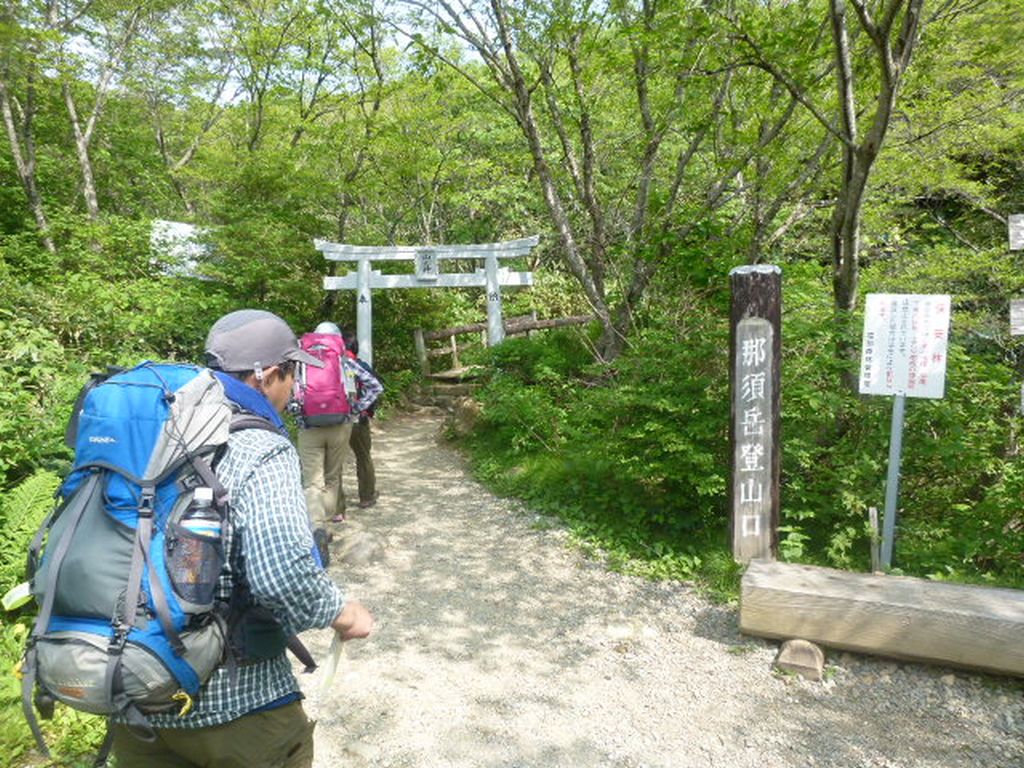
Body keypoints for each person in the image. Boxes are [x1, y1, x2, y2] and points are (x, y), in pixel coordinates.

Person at [109, 308, 374, 768]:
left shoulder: (155, 431)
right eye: (291, 376)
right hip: (232, 704)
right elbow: (282, 574)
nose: (293, 390)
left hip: (132, 691)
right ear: (268, 376)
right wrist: (341, 612)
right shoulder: (258, 446)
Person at [295, 322, 382, 524]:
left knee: (313, 482)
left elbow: (294, 393)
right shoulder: (345, 361)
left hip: (309, 425)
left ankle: (324, 522)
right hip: (344, 422)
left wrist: (298, 414)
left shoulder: (301, 362)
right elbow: (375, 386)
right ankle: (363, 498)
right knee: (340, 471)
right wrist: (357, 408)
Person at [343, 329, 383, 509]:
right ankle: (366, 496)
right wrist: (361, 408)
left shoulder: (327, 365)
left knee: (332, 463)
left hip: (330, 419)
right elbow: (376, 387)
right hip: (357, 420)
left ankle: (336, 507)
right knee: (363, 456)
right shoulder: (358, 365)